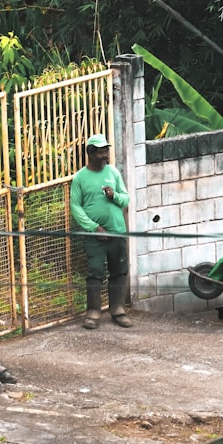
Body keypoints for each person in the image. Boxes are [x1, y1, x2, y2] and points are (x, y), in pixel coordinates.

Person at [70, 133, 132, 329]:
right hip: (94, 235)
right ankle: (93, 312)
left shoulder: (113, 173)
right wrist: (93, 227)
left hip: (117, 231)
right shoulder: (80, 178)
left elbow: (126, 198)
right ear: (89, 153)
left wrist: (114, 195)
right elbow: (75, 207)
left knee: (119, 271)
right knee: (95, 271)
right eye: (100, 151)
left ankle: (118, 310)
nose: (105, 154)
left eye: (106, 150)